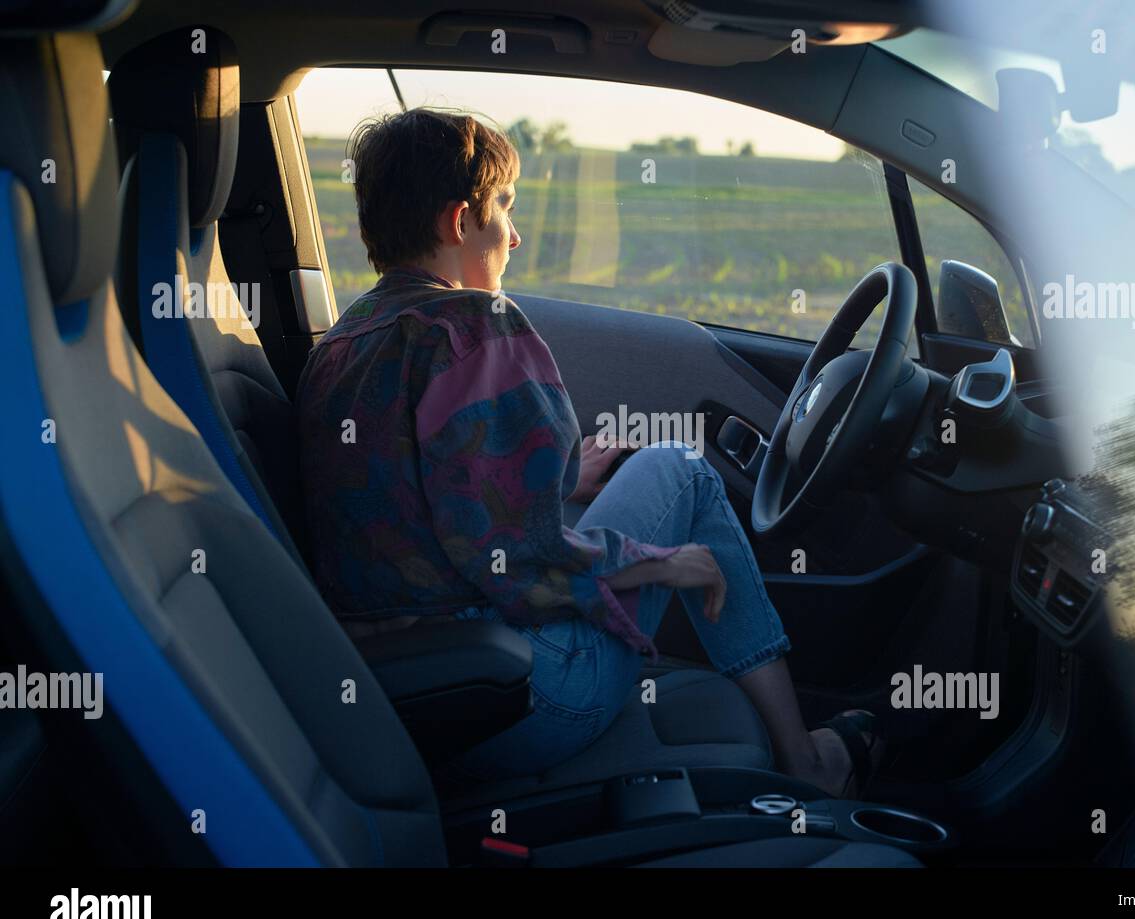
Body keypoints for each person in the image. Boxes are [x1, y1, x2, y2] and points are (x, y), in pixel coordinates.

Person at [296, 107, 885, 796]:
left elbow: (432, 504)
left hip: (416, 701)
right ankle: (809, 763)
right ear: (459, 222)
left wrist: (567, 478)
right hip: (529, 696)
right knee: (686, 475)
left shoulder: (341, 345)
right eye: (504, 209)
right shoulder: (474, 328)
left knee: (655, 478)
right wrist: (663, 562)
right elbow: (524, 555)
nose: (513, 236)